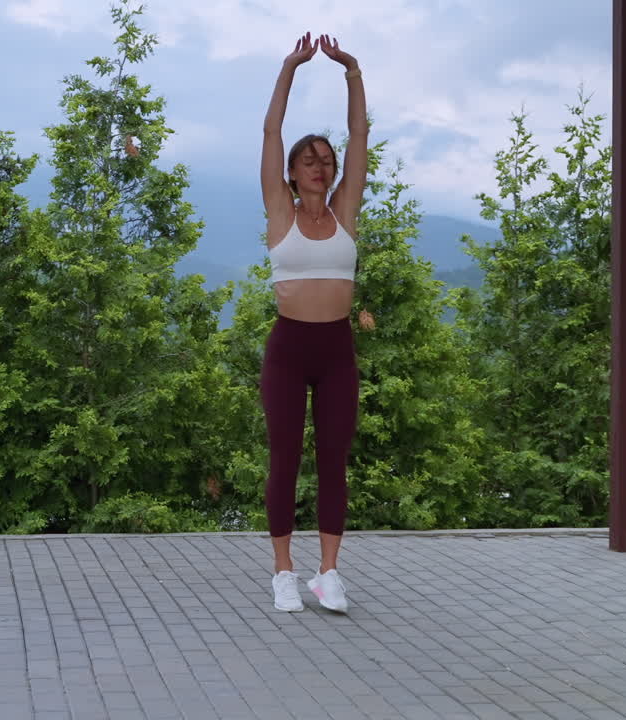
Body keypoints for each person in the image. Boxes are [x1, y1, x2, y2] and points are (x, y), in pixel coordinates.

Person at [260, 30, 371, 613]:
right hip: (289, 347)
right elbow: (272, 132)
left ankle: (328, 573)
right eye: (311, 161)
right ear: (293, 172)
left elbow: (360, 135)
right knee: (285, 459)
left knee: (334, 460)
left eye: (326, 162)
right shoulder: (279, 210)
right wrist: (292, 68)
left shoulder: (346, 211)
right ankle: (283, 571)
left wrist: (351, 71)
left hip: (336, 350)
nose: (321, 168)